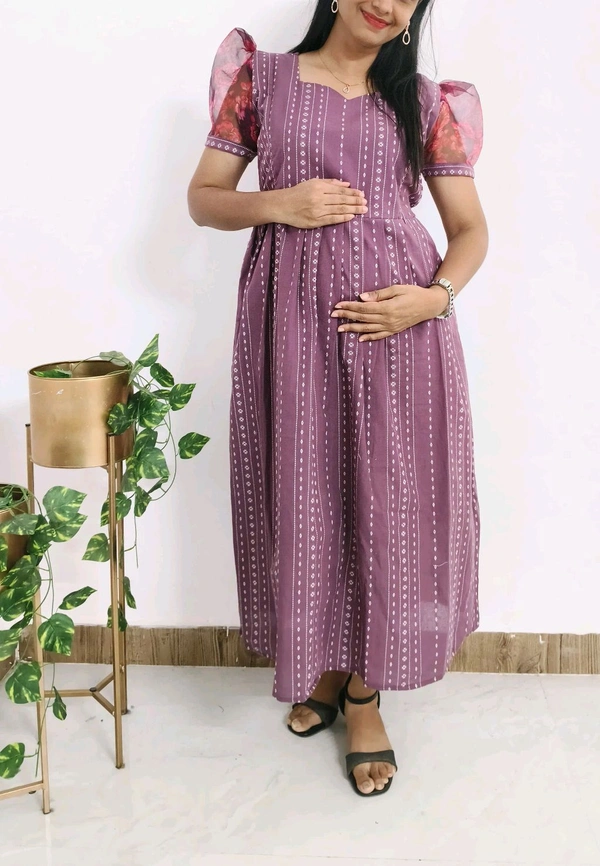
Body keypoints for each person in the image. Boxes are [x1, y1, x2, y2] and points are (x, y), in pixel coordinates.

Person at [188, 0, 488, 798]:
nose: (386, 3)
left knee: (388, 505)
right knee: (309, 495)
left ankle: (363, 693)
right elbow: (205, 197)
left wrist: (432, 300)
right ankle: (321, 664)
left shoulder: (423, 103)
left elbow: (470, 230)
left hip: (399, 331)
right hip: (290, 328)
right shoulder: (261, 80)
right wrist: (276, 204)